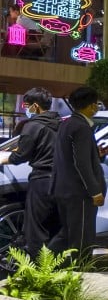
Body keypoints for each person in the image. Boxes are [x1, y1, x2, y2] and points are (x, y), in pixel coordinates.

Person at [0, 88, 60, 259]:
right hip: (60, 181)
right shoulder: (59, 124)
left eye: (27, 105)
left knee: (36, 228)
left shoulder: (33, 126)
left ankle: (35, 270)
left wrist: (4, 158)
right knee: (54, 225)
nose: (25, 108)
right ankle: (54, 266)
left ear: (35, 106)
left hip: (41, 180)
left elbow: (21, 155)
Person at [49, 86, 106, 261]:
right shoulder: (81, 127)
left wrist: (95, 154)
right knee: (82, 239)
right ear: (90, 106)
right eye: (96, 104)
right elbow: (81, 164)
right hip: (79, 193)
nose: (97, 107)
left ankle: (41, 265)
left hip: (63, 190)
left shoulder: (66, 124)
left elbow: (67, 156)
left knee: (67, 234)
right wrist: (95, 191)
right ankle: (80, 276)